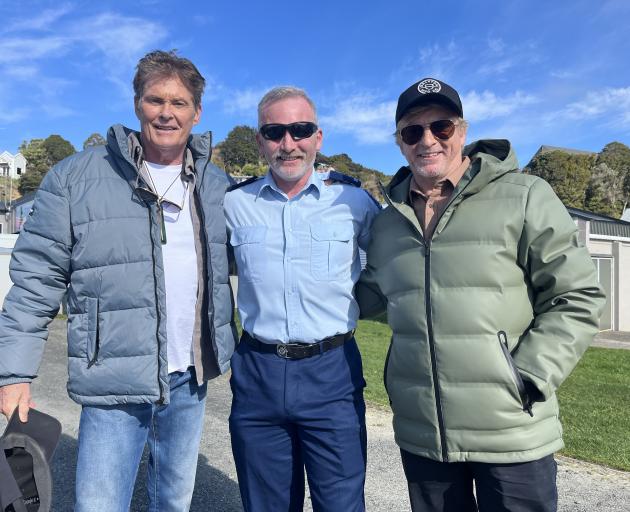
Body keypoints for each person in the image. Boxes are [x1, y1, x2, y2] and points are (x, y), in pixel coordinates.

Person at [0, 50, 237, 511]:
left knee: (174, 501)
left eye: (180, 102)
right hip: (113, 379)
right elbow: (36, 281)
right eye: (155, 100)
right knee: (100, 504)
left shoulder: (216, 184)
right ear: (136, 104)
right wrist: (14, 373)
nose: (167, 112)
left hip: (189, 377)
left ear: (197, 112)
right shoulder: (76, 178)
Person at [356, 77, 605, 512]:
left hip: (511, 432)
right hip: (424, 434)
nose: (427, 140)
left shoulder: (526, 196)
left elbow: (577, 296)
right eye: (412, 131)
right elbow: (373, 297)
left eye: (441, 127)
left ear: (463, 132)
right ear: (399, 143)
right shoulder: (387, 222)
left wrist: (527, 376)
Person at [224, 86, 380, 511]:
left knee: (341, 503)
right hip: (258, 371)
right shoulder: (234, 205)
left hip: (332, 373)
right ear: (260, 141)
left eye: (300, 129)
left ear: (318, 137)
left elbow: (390, 266)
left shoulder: (355, 202)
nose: (288, 143)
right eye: (275, 132)